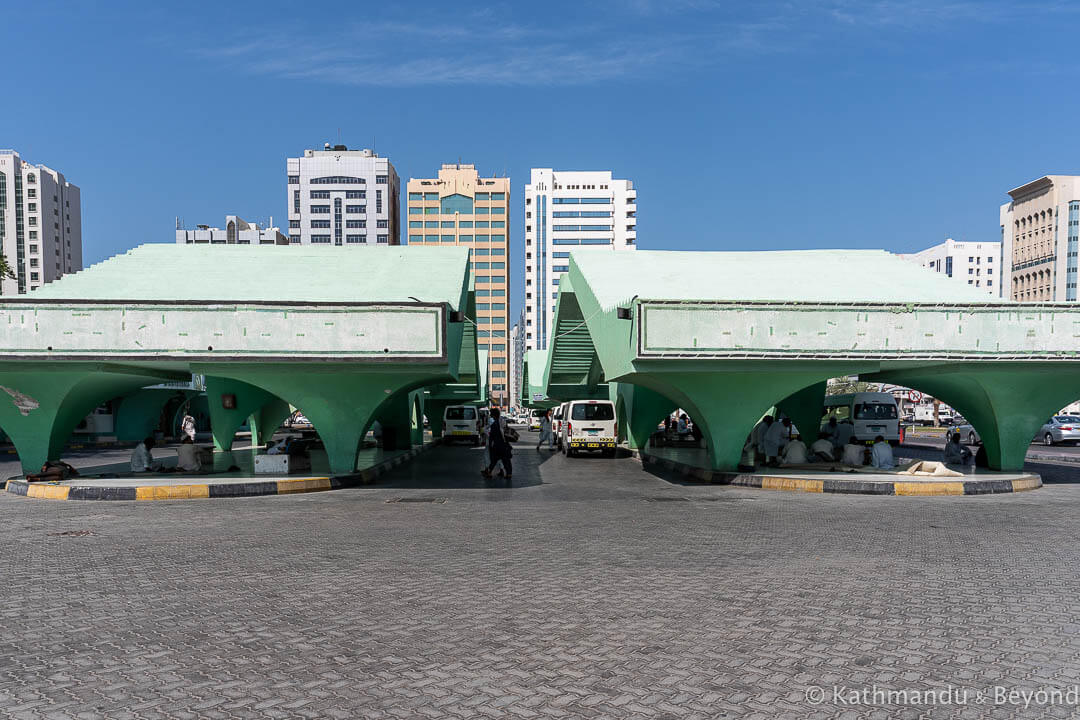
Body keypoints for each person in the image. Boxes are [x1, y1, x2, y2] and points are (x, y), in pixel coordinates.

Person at [482, 408, 513, 482]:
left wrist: (490, 445)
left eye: (491, 414)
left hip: (497, 446)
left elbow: (491, 437)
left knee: (494, 460)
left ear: (493, 415)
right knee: (506, 460)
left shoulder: (494, 425)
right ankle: (509, 473)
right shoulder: (503, 421)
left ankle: (489, 472)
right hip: (504, 444)